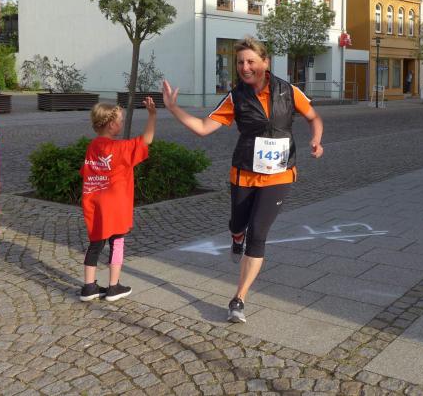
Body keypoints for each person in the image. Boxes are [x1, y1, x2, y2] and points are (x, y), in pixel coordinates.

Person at [162, 37, 323, 323]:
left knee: (258, 234)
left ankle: (239, 299)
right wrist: (174, 109)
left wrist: (316, 139)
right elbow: (203, 128)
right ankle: (236, 236)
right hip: (244, 173)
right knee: (239, 224)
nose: (245, 67)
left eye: (250, 61)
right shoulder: (236, 97)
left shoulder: (288, 91)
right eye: (240, 62)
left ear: (265, 62)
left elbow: (314, 117)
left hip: (279, 174)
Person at [79, 100, 156, 302]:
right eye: (120, 121)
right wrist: (152, 115)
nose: (121, 124)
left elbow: (85, 172)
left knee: (95, 243)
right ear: (112, 124)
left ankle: (89, 287)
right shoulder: (120, 148)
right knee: (117, 242)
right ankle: (114, 287)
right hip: (116, 204)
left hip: (94, 203)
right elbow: (147, 140)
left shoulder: (92, 146)